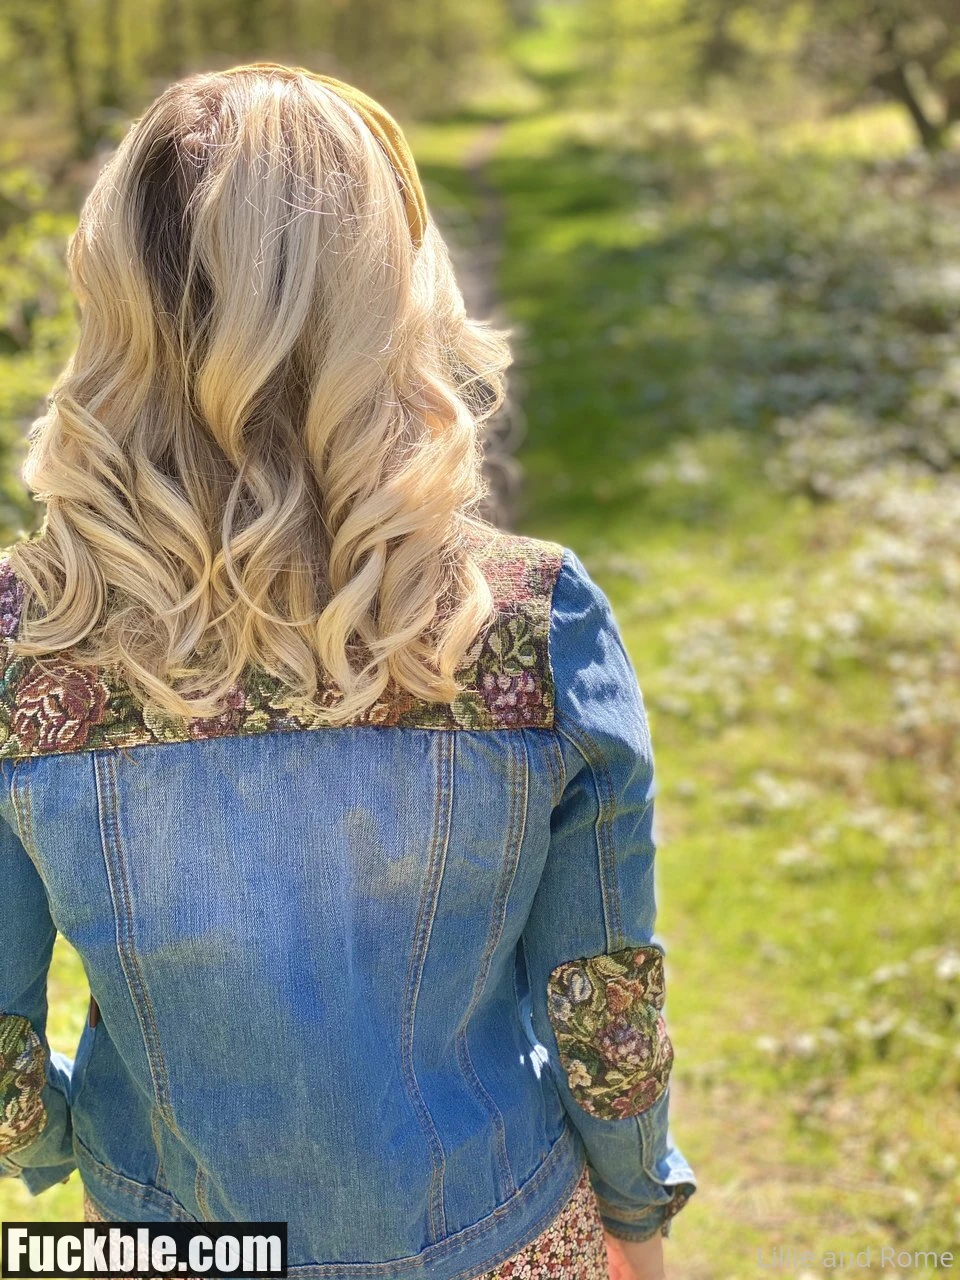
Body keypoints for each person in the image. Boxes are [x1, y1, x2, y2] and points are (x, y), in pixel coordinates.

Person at [0, 63, 696, 1280]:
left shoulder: (31, 634)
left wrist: (79, 1141)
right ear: (391, 290)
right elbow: (605, 1001)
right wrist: (635, 1211)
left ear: (118, 296)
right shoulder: (530, 621)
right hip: (496, 1234)